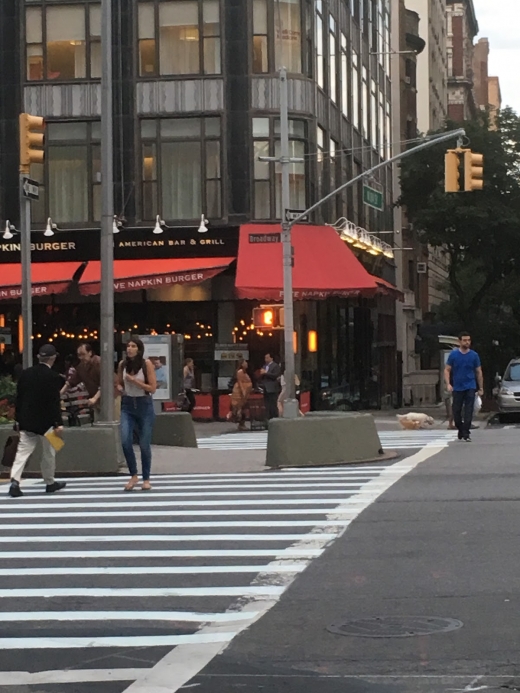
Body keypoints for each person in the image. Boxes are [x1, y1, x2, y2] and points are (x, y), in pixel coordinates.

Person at [8, 344, 66, 498]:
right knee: (49, 452)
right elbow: (54, 402)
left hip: (27, 421)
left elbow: (19, 398)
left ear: (39, 357)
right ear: (53, 358)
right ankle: (49, 482)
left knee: (23, 451)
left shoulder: (26, 374)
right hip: (47, 424)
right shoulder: (53, 377)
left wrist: (18, 419)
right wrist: (58, 423)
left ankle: (15, 480)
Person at [117, 337, 157, 492]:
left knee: (144, 444)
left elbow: (152, 388)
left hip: (144, 405)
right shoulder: (123, 365)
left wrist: (134, 381)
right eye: (128, 346)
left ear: (139, 349)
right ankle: (133, 474)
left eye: (133, 346)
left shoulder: (146, 364)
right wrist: (120, 387)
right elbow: (119, 382)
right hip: (127, 404)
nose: (130, 349)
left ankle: (146, 478)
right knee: (125, 440)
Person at [444, 332, 483, 442]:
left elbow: (478, 371)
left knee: (468, 410)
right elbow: (447, 369)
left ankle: (466, 433)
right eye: (465, 340)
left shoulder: (474, 355)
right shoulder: (454, 355)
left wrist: (480, 387)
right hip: (457, 387)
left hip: (470, 385)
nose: (467, 342)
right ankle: (460, 428)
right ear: (459, 341)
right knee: (456, 411)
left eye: (469, 340)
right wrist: (448, 383)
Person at [61, 343, 101, 420]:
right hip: (96, 399)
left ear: (90, 353)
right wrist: (60, 394)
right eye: (79, 355)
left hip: (110, 396)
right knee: (98, 422)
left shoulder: (98, 362)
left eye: (83, 354)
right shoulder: (81, 367)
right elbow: (71, 382)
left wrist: (95, 398)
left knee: (110, 422)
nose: (81, 357)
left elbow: (105, 383)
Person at [229, 360, 253, 431]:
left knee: (243, 408)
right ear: (242, 364)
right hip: (239, 393)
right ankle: (240, 423)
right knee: (240, 408)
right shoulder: (240, 372)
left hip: (244, 392)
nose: (246, 364)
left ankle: (242, 423)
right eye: (245, 363)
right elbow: (240, 383)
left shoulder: (244, 372)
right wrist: (243, 391)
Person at [260, 353, 281, 420]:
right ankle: (268, 418)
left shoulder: (275, 366)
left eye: (267, 358)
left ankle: (274, 417)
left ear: (271, 358)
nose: (266, 359)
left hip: (272, 387)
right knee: (267, 404)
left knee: (273, 404)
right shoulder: (264, 366)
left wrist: (266, 373)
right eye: (265, 358)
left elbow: (275, 375)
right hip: (265, 387)